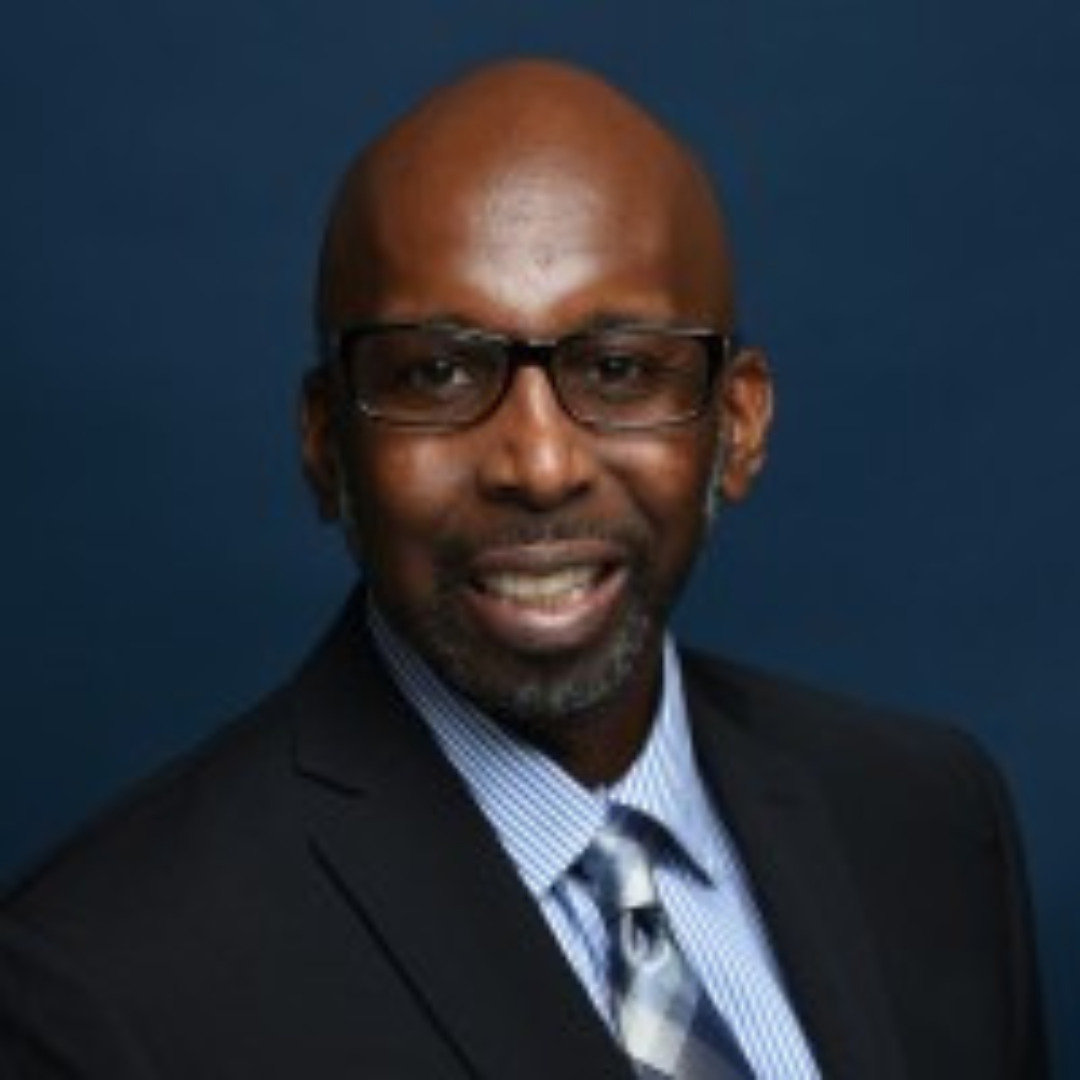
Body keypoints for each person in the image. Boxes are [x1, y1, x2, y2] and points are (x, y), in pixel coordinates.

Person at [0, 59, 1047, 1079]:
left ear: (740, 422)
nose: (540, 466)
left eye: (621, 369)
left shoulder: (930, 822)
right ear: (326, 443)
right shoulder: (105, 987)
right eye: (439, 372)